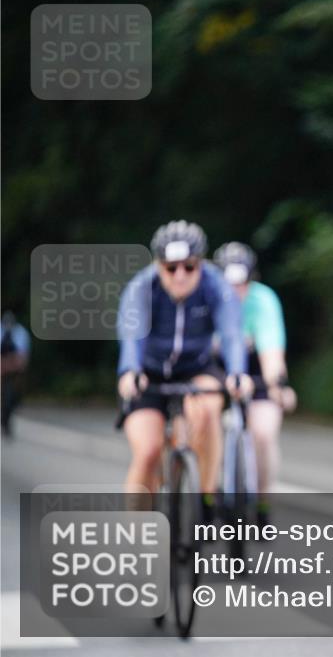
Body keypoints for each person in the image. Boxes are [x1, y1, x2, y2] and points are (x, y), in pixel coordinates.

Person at [117, 221, 251, 515]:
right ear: (158, 265)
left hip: (195, 368)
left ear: (200, 263)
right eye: (171, 267)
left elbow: (231, 332)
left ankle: (205, 494)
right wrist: (129, 370)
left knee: (208, 408)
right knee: (148, 451)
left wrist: (237, 372)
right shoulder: (142, 287)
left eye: (189, 267)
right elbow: (131, 333)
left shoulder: (216, 285)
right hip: (149, 373)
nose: (180, 275)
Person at [213, 241, 296, 524]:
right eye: (229, 284)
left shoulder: (263, 300)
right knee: (200, 421)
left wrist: (278, 385)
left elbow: (272, 351)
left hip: (257, 369)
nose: (236, 291)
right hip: (214, 372)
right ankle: (206, 492)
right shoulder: (207, 299)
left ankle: (262, 500)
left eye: (242, 283)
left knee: (264, 433)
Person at [1, 311, 31, 436]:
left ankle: (7, 418)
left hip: (15, 368)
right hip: (2, 367)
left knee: (14, 397)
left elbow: (22, 356)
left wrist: (13, 365)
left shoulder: (21, 333)